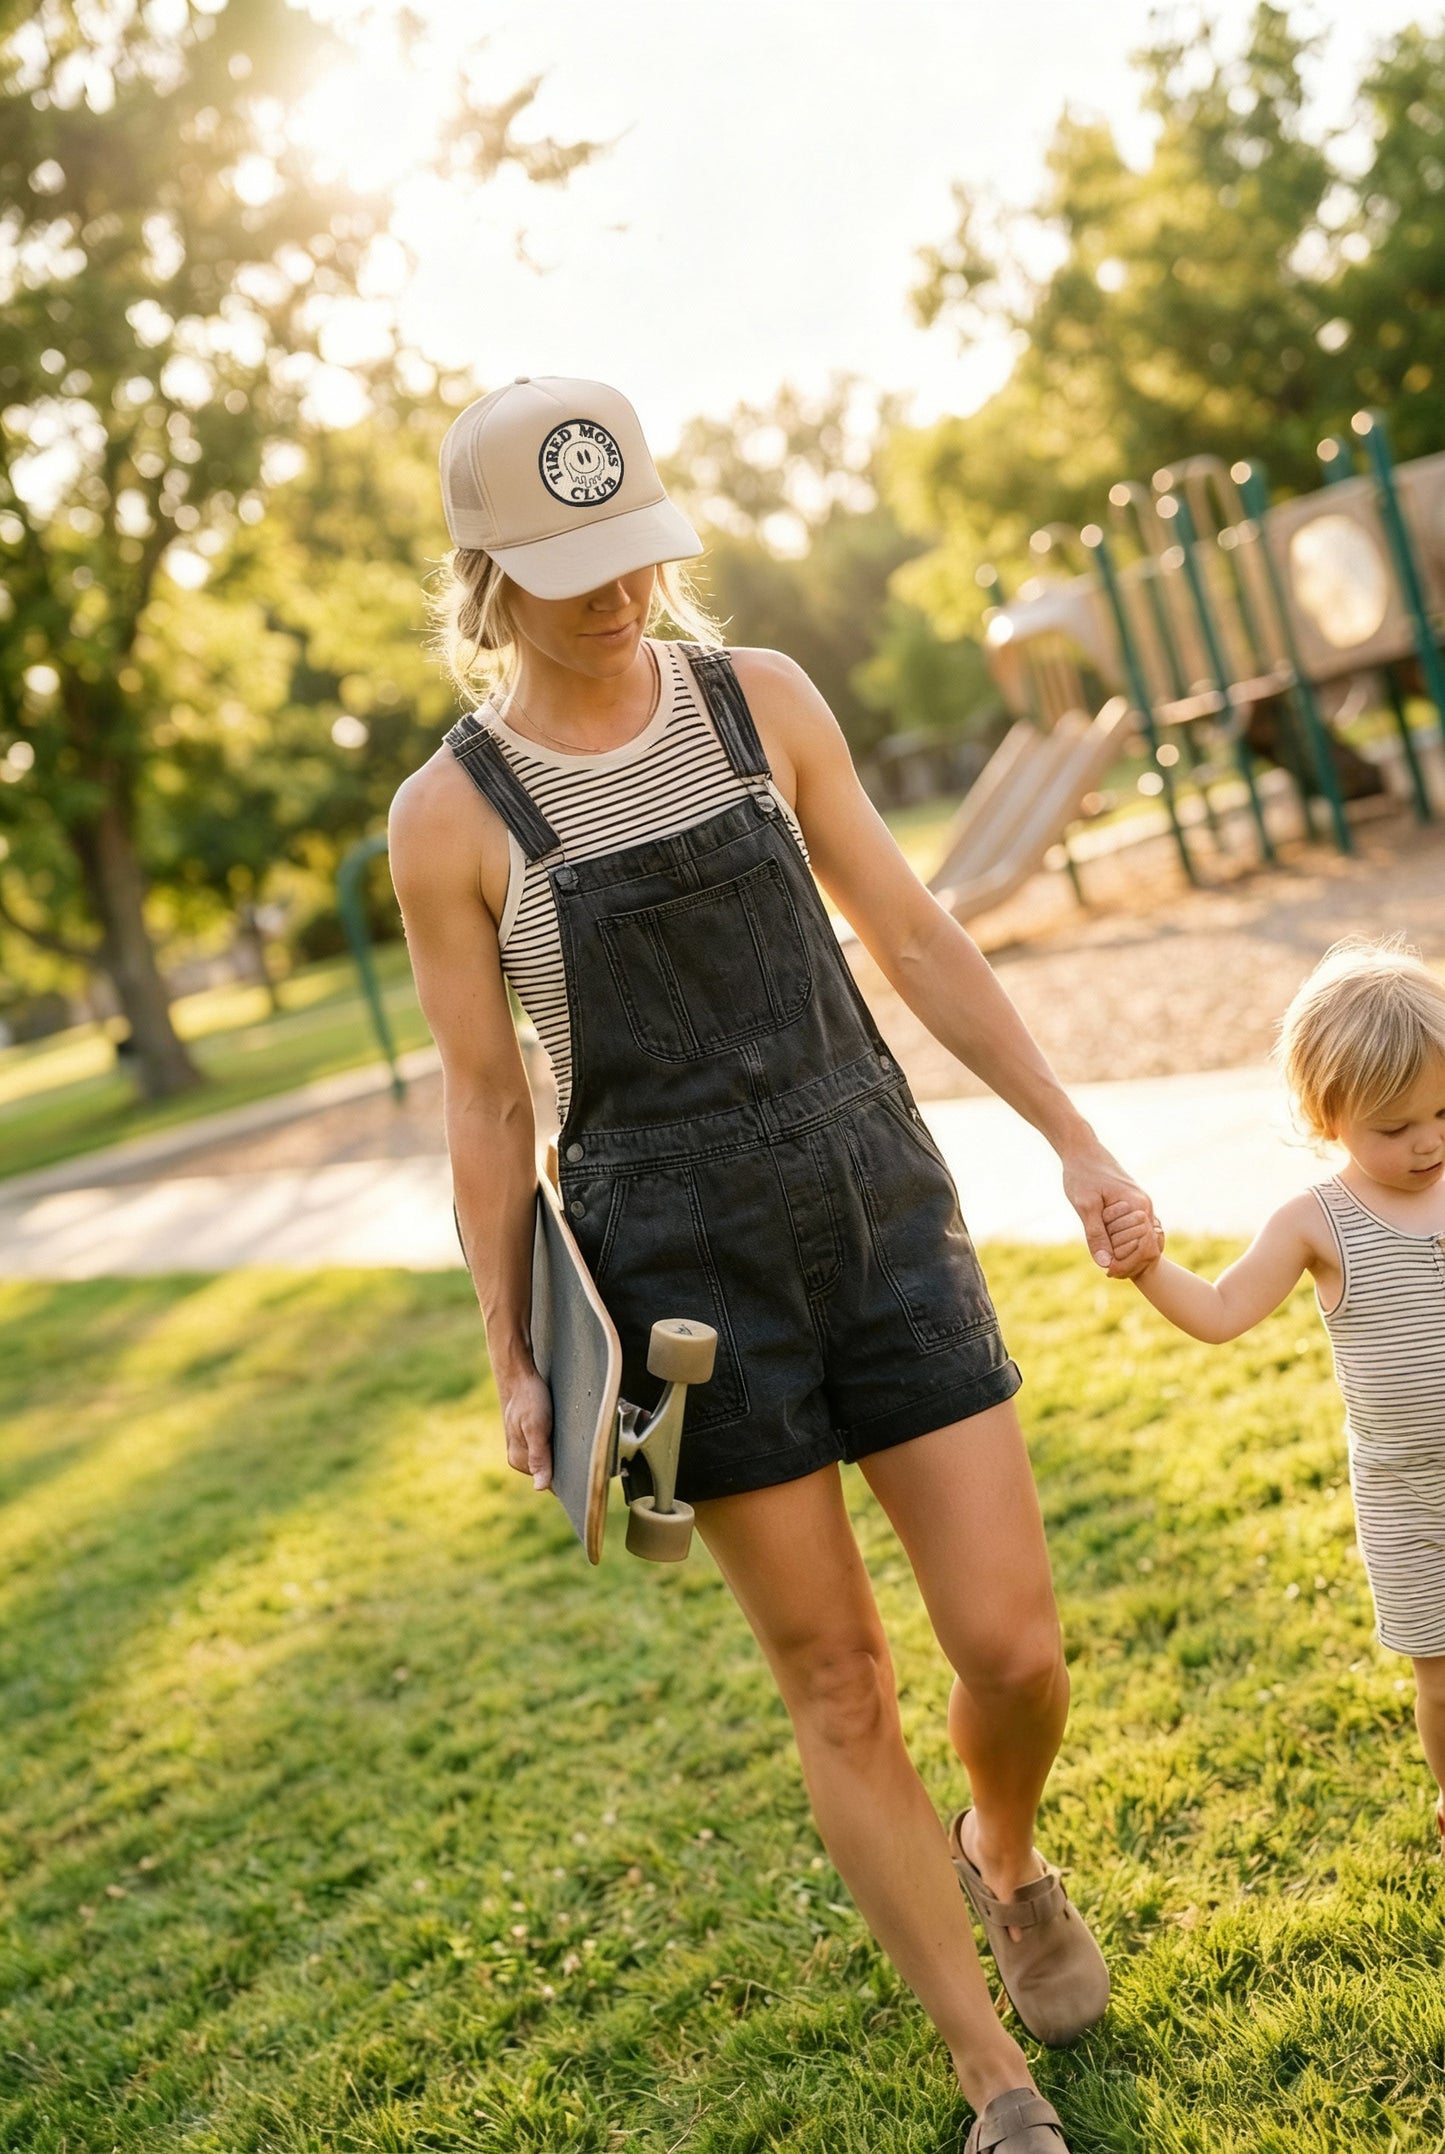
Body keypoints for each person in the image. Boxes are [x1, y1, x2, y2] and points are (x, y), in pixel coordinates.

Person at [389, 375, 1160, 2154]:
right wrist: (509, 1345)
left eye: (634, 548)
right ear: (487, 567)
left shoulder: (762, 701)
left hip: (878, 1204)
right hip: (681, 1284)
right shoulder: (454, 815)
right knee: (837, 1680)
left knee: (1014, 1645)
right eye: (570, 562)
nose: (616, 589)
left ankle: (1007, 1851)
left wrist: (1075, 1130)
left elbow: (909, 925)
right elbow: (492, 1108)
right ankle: (994, 2076)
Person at [1107, 938, 1445, 1852]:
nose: (1426, 1141)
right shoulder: (1313, 1223)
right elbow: (1219, 1313)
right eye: (1394, 1127)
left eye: (1442, 1112)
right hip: (1410, 1497)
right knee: (1441, 1675)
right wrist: (1145, 1266)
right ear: (1325, 1115)